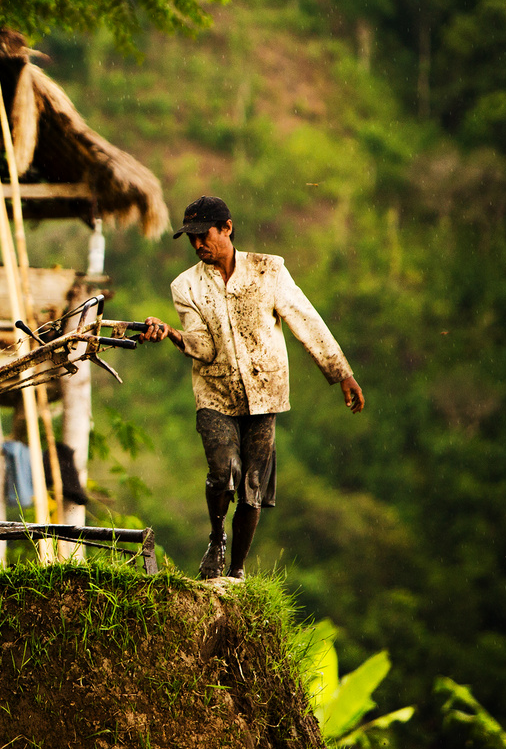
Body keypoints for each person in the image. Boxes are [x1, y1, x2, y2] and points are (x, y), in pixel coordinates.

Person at [140, 195, 363, 579]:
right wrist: (174, 335)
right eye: (190, 239)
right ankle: (216, 538)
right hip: (214, 393)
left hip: (265, 394)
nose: (197, 245)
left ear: (227, 228)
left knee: (252, 486)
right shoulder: (186, 286)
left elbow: (306, 321)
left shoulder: (268, 270)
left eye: (202, 235)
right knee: (224, 470)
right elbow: (204, 346)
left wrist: (341, 373)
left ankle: (237, 570)